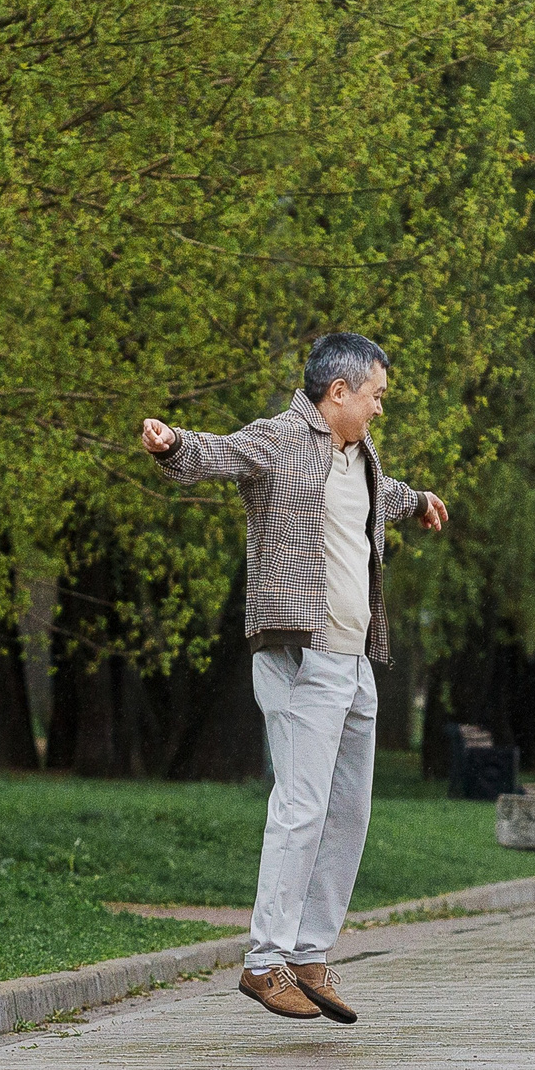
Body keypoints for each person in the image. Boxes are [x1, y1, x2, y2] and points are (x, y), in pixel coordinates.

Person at [139, 332, 447, 1024]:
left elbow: (381, 494)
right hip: (301, 654)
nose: (377, 409)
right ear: (337, 392)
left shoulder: (359, 454)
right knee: (301, 807)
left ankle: (309, 952)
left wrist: (418, 499)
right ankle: (263, 960)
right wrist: (172, 445)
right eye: (374, 396)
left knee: (349, 813)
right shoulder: (279, 439)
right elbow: (218, 453)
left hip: (357, 658)